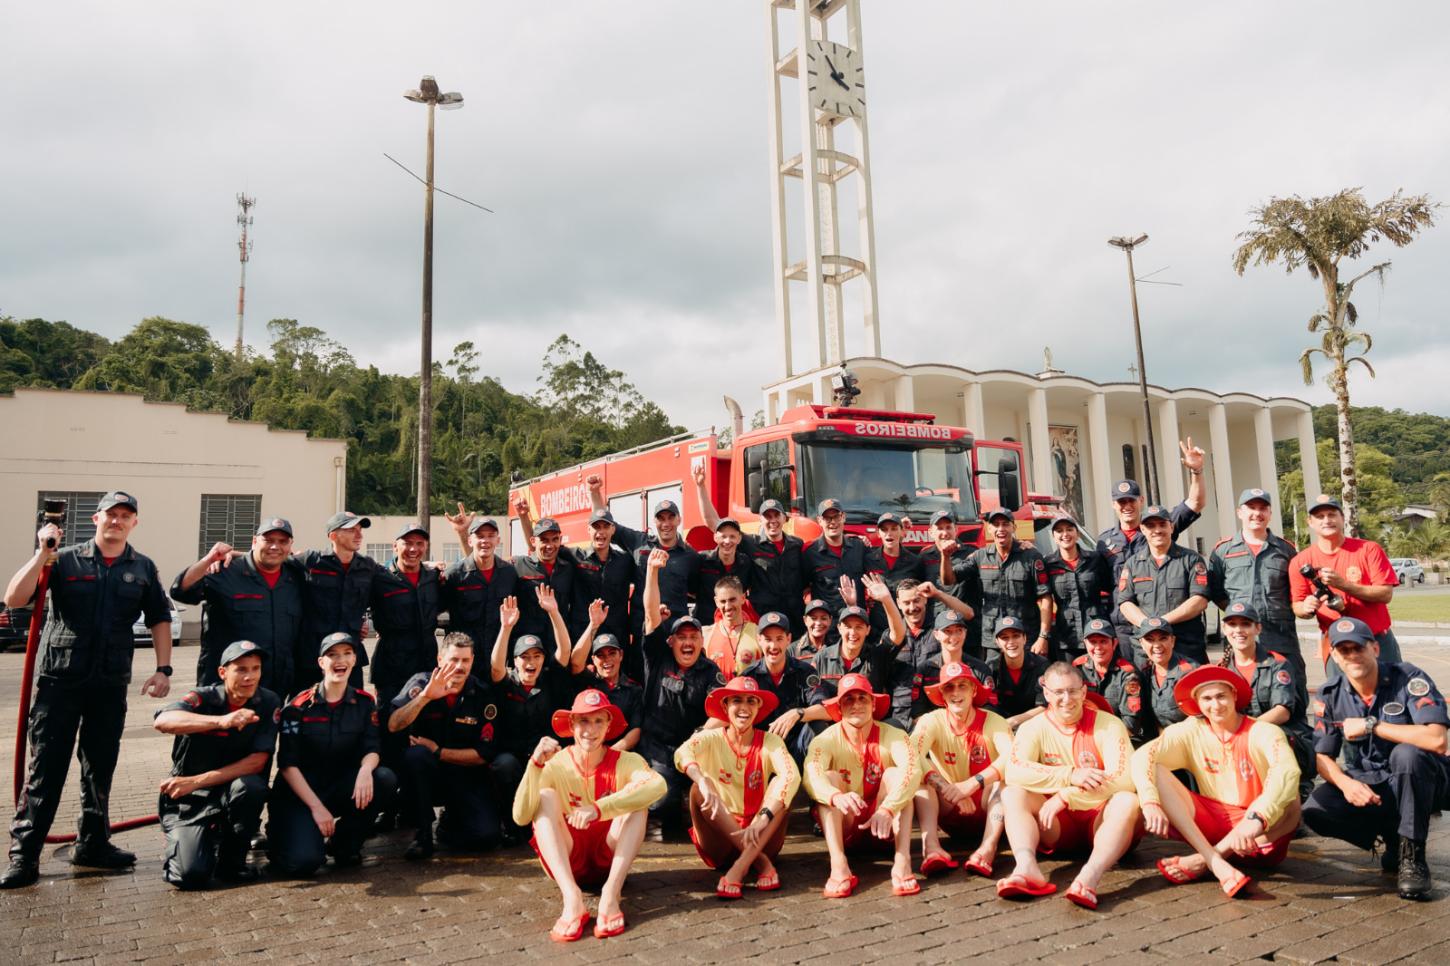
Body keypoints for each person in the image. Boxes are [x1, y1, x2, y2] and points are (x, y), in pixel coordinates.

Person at [2, 491, 174, 889]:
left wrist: (164, 668)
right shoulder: (62, 559)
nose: (117, 521)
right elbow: (15, 598)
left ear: (135, 523)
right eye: (110, 514)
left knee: (100, 766)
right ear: (95, 519)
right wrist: (41, 551)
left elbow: (159, 618)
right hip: (60, 681)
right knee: (46, 769)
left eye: (125, 515)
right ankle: (24, 855)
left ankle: (93, 843)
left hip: (109, 683)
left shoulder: (143, 567)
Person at [1302, 617, 1449, 901]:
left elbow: (1437, 740)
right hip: (1375, 783)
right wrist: (1345, 784)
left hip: (1428, 780)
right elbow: (1322, 756)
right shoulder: (1330, 694)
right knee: (1315, 810)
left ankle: (1413, 857)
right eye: (1344, 650)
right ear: (1334, 655)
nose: (1352, 655)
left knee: (1407, 754)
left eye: (1358, 647)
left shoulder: (1408, 678)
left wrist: (1373, 725)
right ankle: (1393, 837)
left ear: (1375, 649)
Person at [1134, 665, 1301, 898]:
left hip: (1257, 832)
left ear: (1234, 696)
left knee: (1291, 798)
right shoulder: (1190, 730)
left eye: (1221, 696)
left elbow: (1287, 771)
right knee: (1157, 770)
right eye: (1207, 698)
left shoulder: (1263, 731)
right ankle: (1216, 862)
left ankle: (1206, 858)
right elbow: (1143, 756)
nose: (1215, 705)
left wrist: (1256, 820)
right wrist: (1149, 801)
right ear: (1197, 703)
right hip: (1213, 825)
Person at [513, 689, 666, 942]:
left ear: (608, 727)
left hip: (609, 855)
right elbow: (520, 816)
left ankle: (611, 894)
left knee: (639, 800)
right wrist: (535, 764)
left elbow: (658, 786)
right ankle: (571, 899)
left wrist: (598, 809)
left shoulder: (626, 760)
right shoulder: (556, 763)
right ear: (571, 724)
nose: (590, 730)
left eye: (598, 721)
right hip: (568, 859)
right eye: (584, 720)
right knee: (546, 797)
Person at [999, 661, 1141, 910]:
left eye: (1073, 691)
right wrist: (1069, 774)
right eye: (1058, 692)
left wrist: (1066, 796)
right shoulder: (1033, 727)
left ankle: (1089, 878)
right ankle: (1026, 867)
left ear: (1084, 691)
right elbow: (1014, 771)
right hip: (1056, 825)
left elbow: (1125, 777)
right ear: (1046, 693)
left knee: (1128, 800)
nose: (1066, 699)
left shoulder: (1108, 724)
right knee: (1012, 793)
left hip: (1101, 820)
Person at [268, 632, 397, 876]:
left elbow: (372, 747)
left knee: (384, 779)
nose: (341, 660)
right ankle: (282, 835)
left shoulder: (364, 703)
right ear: (321, 663)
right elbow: (287, 764)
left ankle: (344, 844)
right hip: (301, 794)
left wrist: (365, 770)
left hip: (338, 785)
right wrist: (316, 807)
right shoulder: (298, 707)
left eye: (347, 653)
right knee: (304, 863)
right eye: (333, 655)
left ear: (355, 659)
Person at [152, 641, 278, 888]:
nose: (249, 676)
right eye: (241, 669)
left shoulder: (268, 701)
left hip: (221, 791)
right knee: (191, 876)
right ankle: (200, 840)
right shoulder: (203, 698)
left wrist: (196, 781)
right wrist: (221, 722)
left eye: (255, 669)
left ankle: (232, 862)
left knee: (251, 787)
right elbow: (164, 721)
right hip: (191, 799)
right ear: (223, 673)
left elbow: (257, 762)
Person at [388, 632, 514, 861]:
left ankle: (450, 824)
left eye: (465, 660)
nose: (459, 666)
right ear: (440, 660)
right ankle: (422, 833)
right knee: (416, 756)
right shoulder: (421, 683)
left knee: (487, 837)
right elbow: (394, 724)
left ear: (472, 661)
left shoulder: (482, 694)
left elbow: (483, 754)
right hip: (427, 777)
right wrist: (425, 698)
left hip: (464, 775)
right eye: (453, 660)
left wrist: (438, 751)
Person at [675, 677, 801, 898]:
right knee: (698, 787)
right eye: (737, 701)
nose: (744, 708)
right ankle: (759, 862)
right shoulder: (711, 737)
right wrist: (702, 778)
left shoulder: (770, 741)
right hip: (718, 841)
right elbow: (681, 753)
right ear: (725, 706)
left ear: (759, 707)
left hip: (760, 833)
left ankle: (739, 868)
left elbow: (791, 775)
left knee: (782, 787)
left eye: (751, 701)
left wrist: (763, 817)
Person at [803, 674, 923, 898]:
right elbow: (811, 776)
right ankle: (838, 865)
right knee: (829, 779)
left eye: (862, 698)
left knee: (897, 775)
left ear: (873, 703)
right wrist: (835, 796)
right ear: (839, 706)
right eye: (848, 700)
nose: (856, 705)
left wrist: (887, 808)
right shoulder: (825, 739)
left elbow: (913, 771)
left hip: (884, 824)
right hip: (847, 823)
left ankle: (902, 860)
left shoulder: (894, 735)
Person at [1096, 442, 1207, 658]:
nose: (1127, 506)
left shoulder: (1158, 528)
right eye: (1121, 501)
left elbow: (1195, 502)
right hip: (1124, 629)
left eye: (1132, 500)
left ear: (1141, 501)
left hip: (1167, 625)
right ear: (1113, 505)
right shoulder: (1104, 541)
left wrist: (1197, 471)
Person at [173, 517, 305, 696]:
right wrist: (208, 559)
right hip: (227, 688)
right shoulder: (224, 569)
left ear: (290, 545)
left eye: (282, 542)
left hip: (278, 687)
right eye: (268, 540)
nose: (275, 547)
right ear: (254, 541)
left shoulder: (297, 577)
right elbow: (181, 591)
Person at [639, 549, 719, 839]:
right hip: (656, 748)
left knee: (704, 801)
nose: (687, 643)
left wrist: (701, 733)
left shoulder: (710, 670)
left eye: (693, 637)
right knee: (663, 800)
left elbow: (722, 712)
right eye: (681, 637)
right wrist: (652, 571)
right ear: (671, 641)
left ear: (701, 640)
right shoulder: (658, 656)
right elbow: (650, 613)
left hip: (692, 748)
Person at [911, 662, 1011, 879]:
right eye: (949, 687)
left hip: (987, 807)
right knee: (919, 780)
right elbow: (912, 755)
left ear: (974, 690)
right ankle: (931, 847)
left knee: (1005, 784)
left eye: (962, 686)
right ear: (942, 695)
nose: (956, 693)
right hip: (948, 803)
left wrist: (973, 783)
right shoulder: (931, 720)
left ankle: (988, 848)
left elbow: (1013, 758)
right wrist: (946, 787)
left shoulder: (994, 721)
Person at [1289, 494, 1402, 676]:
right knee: (1342, 700)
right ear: (1310, 522)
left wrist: (1343, 585)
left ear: (1342, 518)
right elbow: (1297, 605)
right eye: (1320, 516)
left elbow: (1385, 594)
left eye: (1332, 514)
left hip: (1376, 640)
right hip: (1336, 643)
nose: (1327, 520)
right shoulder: (1300, 562)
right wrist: (1306, 607)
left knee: (1390, 698)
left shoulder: (1368, 549)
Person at [1208, 488, 1302, 696]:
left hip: (1280, 636)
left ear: (1270, 514)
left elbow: (1296, 591)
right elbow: (1216, 592)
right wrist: (1239, 615)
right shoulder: (1223, 551)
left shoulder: (1286, 550)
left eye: (1262, 508)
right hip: (1240, 638)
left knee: (1292, 694)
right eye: (1251, 508)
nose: (1257, 513)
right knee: (1241, 695)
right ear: (1239, 512)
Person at [691, 467, 807, 634]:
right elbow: (713, 522)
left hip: (794, 619)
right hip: (762, 619)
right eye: (767, 516)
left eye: (776, 515)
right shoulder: (751, 543)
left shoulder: (797, 545)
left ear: (784, 518)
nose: (772, 521)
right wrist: (700, 486)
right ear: (761, 520)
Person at [1216, 602, 1315, 798]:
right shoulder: (1222, 669)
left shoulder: (1277, 664)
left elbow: (1282, 711)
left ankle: (1297, 798)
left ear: (1257, 628)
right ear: (1225, 629)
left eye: (1245, 624)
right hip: (1240, 738)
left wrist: (1244, 731)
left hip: (1281, 736)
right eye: (1233, 625)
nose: (1239, 630)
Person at [942, 507, 1053, 660]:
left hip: (1024, 636)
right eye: (996, 524)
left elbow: (1045, 599)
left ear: (1014, 527)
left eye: (1005, 524)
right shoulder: (980, 556)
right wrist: (945, 557)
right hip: (993, 639)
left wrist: (1043, 637)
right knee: (994, 681)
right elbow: (949, 580)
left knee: (1030, 681)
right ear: (989, 528)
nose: (1001, 528)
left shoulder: (1031, 556)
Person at [592, 485, 700, 642]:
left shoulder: (690, 556)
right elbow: (606, 523)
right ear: (654, 521)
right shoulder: (639, 542)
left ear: (679, 519)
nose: (666, 523)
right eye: (661, 518)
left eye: (671, 517)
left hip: (675, 635)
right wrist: (594, 493)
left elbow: (697, 593)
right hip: (642, 632)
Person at [293, 511, 381, 693]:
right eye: (351, 530)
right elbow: (269, 560)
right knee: (305, 711)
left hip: (350, 658)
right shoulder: (311, 561)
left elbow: (398, 574)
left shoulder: (367, 566)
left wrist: (430, 566)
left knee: (352, 710)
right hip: (313, 656)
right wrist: (227, 554)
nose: (359, 534)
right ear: (333, 535)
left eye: (360, 529)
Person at [490, 590, 576, 775]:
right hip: (513, 758)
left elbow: (565, 649)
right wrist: (505, 628)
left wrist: (554, 612)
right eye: (525, 657)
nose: (531, 662)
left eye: (537, 656)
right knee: (503, 765)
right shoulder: (508, 682)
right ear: (515, 661)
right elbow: (497, 668)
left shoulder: (550, 680)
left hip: (545, 758)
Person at [1115, 505, 1212, 664]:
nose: (1157, 530)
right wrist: (1148, 626)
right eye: (1151, 526)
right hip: (1147, 649)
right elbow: (1125, 603)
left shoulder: (1191, 560)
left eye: (1162, 524)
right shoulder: (1132, 564)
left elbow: (1200, 600)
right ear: (1142, 530)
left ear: (1171, 527)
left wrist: (1162, 623)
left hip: (1185, 646)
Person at [369, 523, 442, 711]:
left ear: (426, 547)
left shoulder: (434, 578)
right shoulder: (380, 578)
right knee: (390, 724)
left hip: (426, 662)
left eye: (419, 543)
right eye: (407, 543)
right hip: (391, 665)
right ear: (395, 546)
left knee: (425, 724)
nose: (413, 549)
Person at [441, 514, 519, 682]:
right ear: (470, 541)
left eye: (491, 536)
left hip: (497, 658)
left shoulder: (509, 573)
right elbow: (435, 610)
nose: (485, 541)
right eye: (480, 536)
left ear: (498, 540)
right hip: (464, 661)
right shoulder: (454, 575)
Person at [891, 578, 978, 728]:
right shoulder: (891, 636)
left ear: (925, 599)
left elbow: (968, 614)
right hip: (900, 714)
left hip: (935, 711)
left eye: (916, 600)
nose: (912, 607)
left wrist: (938, 594)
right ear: (898, 603)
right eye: (906, 603)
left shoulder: (941, 629)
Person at [740, 611, 827, 763]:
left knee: (818, 725)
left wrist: (798, 713)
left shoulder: (805, 672)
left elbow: (825, 709)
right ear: (759, 640)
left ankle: (811, 778)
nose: (773, 646)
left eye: (779, 639)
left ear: (788, 639)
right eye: (768, 639)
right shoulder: (748, 677)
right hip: (762, 750)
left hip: (797, 749)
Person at [809, 575, 907, 706]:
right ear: (839, 628)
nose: (853, 633)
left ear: (868, 630)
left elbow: (898, 635)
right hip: (833, 721)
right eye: (848, 627)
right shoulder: (822, 657)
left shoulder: (877, 656)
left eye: (859, 627)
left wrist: (886, 600)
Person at [567, 616, 645, 752]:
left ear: (621, 655)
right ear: (593, 660)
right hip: (586, 750)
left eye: (612, 653)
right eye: (600, 655)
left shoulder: (634, 689)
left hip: (619, 753)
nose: (607, 660)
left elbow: (636, 730)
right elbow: (575, 663)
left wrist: (609, 755)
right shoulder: (587, 680)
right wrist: (593, 625)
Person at [1042, 514, 1113, 661]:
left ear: (1078, 534)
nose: (1065, 534)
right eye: (1060, 531)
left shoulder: (1095, 559)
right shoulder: (1048, 564)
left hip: (1096, 630)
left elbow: (1112, 588)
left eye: (1069, 529)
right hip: (1066, 634)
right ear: (1054, 536)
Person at [1073, 619, 1151, 745]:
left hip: (1120, 737)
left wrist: (1100, 741)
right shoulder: (1077, 667)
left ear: (1114, 643)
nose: (1098, 647)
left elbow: (1131, 724)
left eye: (1103, 641)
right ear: (1085, 644)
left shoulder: (1129, 674)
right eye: (1093, 642)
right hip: (1084, 733)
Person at [512, 517, 577, 641]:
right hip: (528, 645)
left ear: (561, 540)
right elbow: (486, 563)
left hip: (558, 643)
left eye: (555, 540)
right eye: (544, 540)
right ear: (533, 541)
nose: (550, 545)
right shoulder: (518, 565)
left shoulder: (569, 569)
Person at [801, 499, 869, 616]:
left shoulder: (860, 547)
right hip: (828, 626)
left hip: (857, 623)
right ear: (819, 521)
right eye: (827, 518)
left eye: (836, 517)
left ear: (843, 517)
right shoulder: (810, 552)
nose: (832, 522)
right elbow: (802, 587)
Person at [1137, 617, 1200, 738]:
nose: (1157, 645)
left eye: (1163, 638)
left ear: (1173, 641)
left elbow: (1200, 719)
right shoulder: (1144, 671)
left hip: (1187, 740)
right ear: (1142, 644)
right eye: (1150, 640)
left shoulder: (1190, 672)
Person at [864, 512, 925, 633]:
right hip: (877, 629)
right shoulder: (868, 560)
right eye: (884, 530)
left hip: (906, 628)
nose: (889, 533)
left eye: (894, 529)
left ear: (902, 532)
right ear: (878, 534)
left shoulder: (915, 561)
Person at [985, 616, 1048, 728]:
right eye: (1004, 638)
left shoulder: (1042, 665)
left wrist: (1014, 721)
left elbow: (1045, 705)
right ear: (997, 642)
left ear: (1024, 638)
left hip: (1034, 724)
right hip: (1000, 725)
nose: (1011, 642)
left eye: (1016, 636)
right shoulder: (991, 667)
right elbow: (987, 706)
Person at [693, 518, 756, 622]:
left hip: (734, 626)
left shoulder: (746, 563)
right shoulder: (702, 560)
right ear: (715, 538)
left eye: (732, 536)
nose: (727, 541)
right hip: (705, 625)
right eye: (723, 536)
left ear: (739, 539)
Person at [698, 575, 760, 677]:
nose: (727, 606)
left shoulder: (758, 633)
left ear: (743, 598)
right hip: (716, 692)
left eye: (732, 600)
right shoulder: (706, 634)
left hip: (747, 692)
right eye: (723, 601)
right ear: (716, 602)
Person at [790, 598, 834, 666]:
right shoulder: (792, 651)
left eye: (823, 618)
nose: (818, 623)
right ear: (805, 620)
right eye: (813, 618)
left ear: (830, 620)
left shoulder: (836, 649)